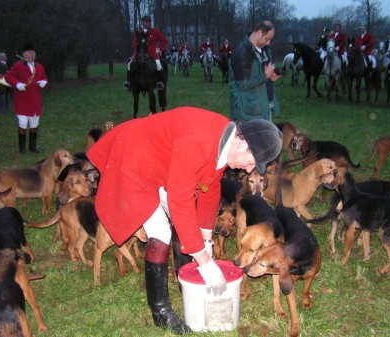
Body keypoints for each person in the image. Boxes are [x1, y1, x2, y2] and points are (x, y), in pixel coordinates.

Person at [86, 107, 283, 334]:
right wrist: (206, 264)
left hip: (160, 164)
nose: (248, 169)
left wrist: (207, 241)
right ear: (242, 143)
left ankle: (185, 278)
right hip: (132, 158)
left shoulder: (225, 139)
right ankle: (160, 312)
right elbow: (180, 201)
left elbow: (209, 189)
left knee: (186, 227)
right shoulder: (200, 140)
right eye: (251, 162)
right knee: (161, 230)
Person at [229, 20, 281, 121]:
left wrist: (271, 77)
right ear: (259, 33)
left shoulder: (265, 50)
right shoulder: (242, 53)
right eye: (267, 39)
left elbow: (261, 74)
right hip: (248, 115)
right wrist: (265, 76)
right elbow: (243, 84)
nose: (268, 43)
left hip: (264, 108)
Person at [5, 43, 48, 154]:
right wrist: (17, 84)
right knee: (23, 124)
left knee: (34, 124)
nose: (32, 55)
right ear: (24, 54)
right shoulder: (19, 65)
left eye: (33, 53)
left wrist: (44, 82)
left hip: (35, 102)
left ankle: (32, 146)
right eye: (29, 52)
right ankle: (22, 147)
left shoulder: (39, 66)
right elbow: (8, 76)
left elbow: (44, 77)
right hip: (22, 101)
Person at [123, 15, 168, 91]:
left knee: (158, 65)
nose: (146, 24)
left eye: (148, 22)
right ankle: (129, 82)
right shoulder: (139, 32)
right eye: (145, 22)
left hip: (152, 54)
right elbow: (134, 43)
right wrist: (137, 48)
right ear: (142, 23)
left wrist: (159, 49)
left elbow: (164, 40)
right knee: (129, 64)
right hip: (140, 53)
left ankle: (159, 82)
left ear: (150, 23)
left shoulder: (155, 32)